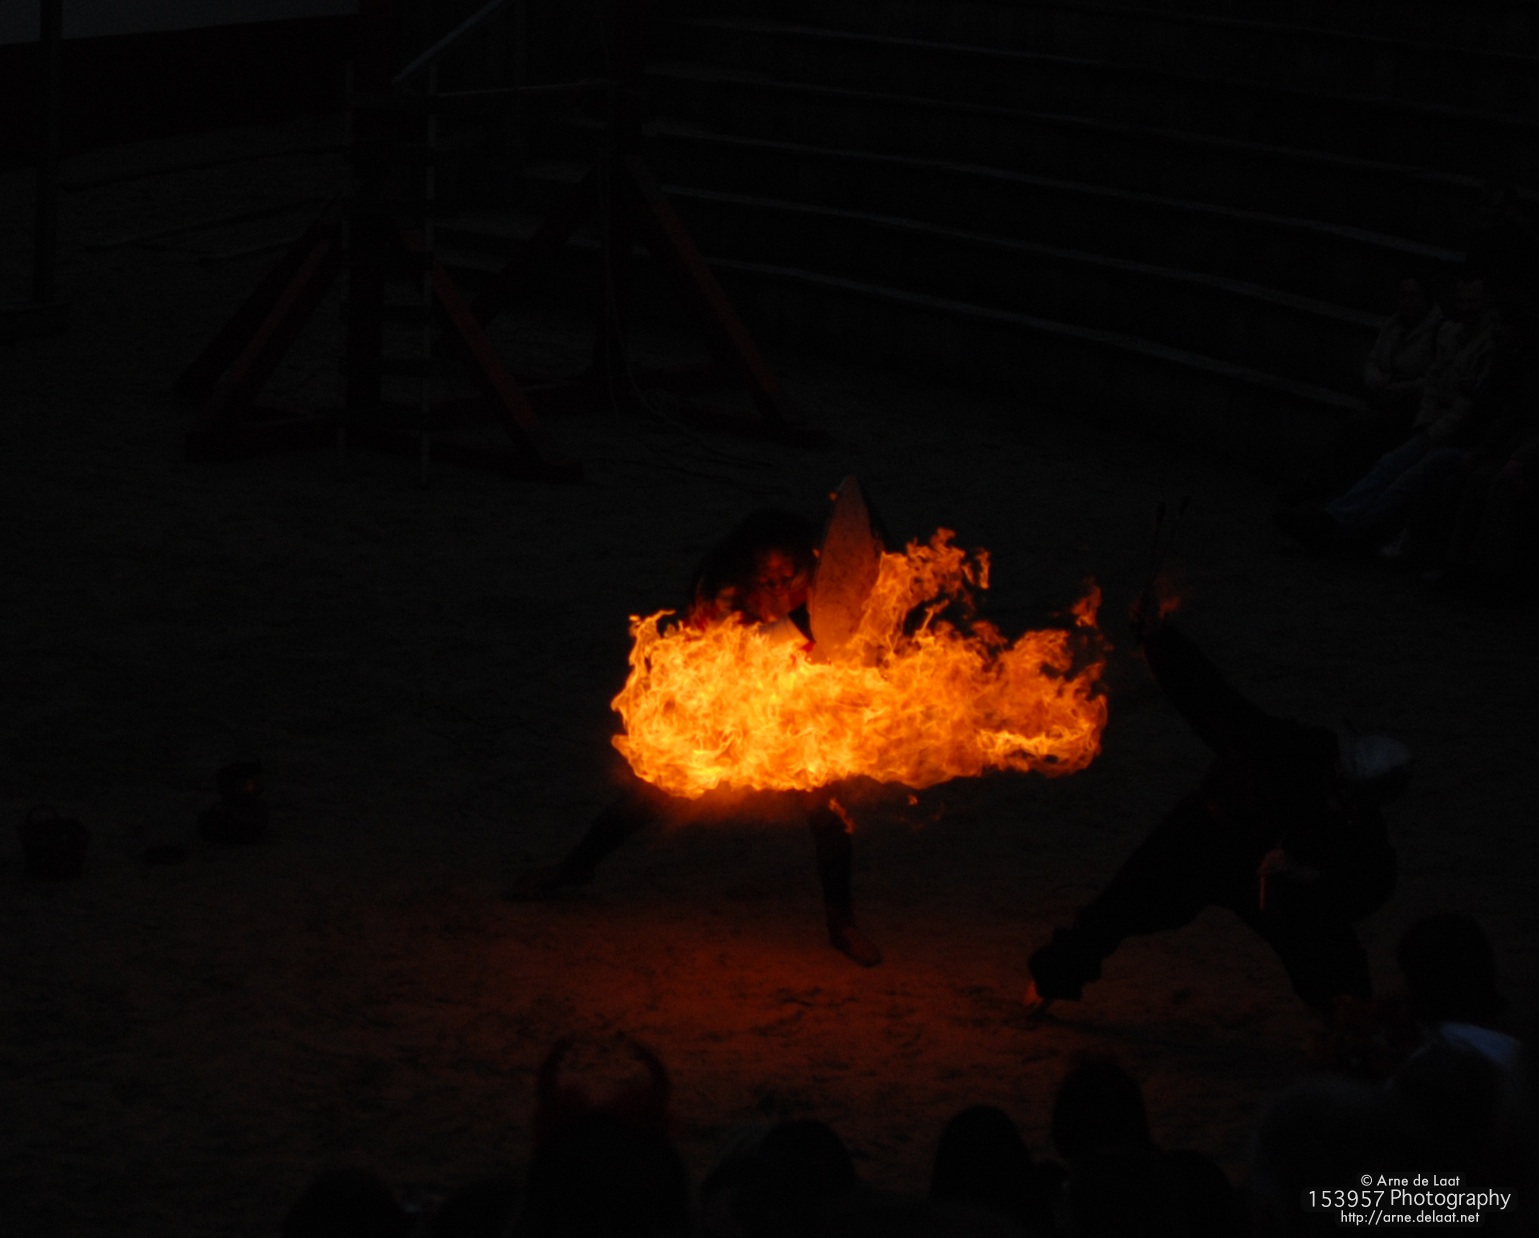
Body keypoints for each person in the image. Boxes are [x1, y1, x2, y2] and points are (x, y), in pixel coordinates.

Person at [509, 508, 883, 967]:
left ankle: (842, 923)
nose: (778, 582)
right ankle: (572, 868)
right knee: (653, 795)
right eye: (767, 576)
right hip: (722, 706)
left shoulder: (821, 582)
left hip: (799, 710)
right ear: (747, 568)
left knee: (827, 814)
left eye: (788, 574)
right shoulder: (722, 592)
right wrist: (799, 625)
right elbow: (740, 654)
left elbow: (846, 626)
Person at [1024, 602, 1406, 1015]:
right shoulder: (1283, 748)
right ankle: (1053, 980)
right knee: (1116, 910)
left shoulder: (1362, 833)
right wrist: (1159, 640)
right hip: (1205, 839)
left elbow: (1365, 890)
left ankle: (1356, 1028)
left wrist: (1304, 874)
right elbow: (1212, 699)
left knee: (1332, 962)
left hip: (1275, 880)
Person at [1277, 274, 1497, 554]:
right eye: (1462, 301)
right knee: (1387, 466)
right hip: (1431, 424)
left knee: (1399, 477)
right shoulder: (1450, 336)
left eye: (1472, 301)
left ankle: (1343, 528)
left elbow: (1462, 400)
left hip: (1450, 432)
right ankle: (1334, 520)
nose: (1466, 307)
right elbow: (1434, 380)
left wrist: (1431, 429)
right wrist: (1426, 422)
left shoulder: (1480, 344)